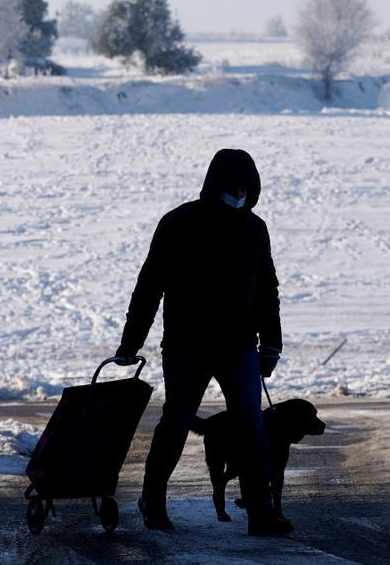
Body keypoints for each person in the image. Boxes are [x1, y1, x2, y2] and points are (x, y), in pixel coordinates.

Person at [114, 148, 290, 537]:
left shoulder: (254, 229)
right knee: (176, 422)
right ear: (216, 185)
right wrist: (131, 342)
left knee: (251, 426)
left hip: (240, 346)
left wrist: (271, 344)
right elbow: (149, 286)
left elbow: (266, 291)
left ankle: (261, 513)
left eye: (247, 188)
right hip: (186, 346)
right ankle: (153, 501)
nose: (240, 194)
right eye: (234, 187)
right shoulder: (179, 223)